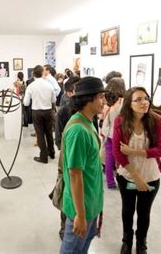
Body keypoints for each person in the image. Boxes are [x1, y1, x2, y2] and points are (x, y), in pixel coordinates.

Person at [113, 87, 161, 254]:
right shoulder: (120, 121)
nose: (144, 103)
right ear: (129, 103)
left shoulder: (157, 120)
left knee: (144, 213)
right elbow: (117, 152)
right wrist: (136, 177)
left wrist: (134, 152)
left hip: (150, 177)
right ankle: (127, 241)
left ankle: (141, 243)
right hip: (127, 177)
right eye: (138, 99)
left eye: (146, 98)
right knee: (127, 211)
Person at [60, 76, 106, 254]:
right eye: (100, 96)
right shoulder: (78, 130)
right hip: (82, 207)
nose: (104, 101)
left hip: (91, 202)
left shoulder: (88, 122)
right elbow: (75, 174)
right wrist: (80, 214)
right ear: (88, 99)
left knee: (82, 248)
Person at [54, 76, 79, 240]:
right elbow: (59, 140)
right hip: (68, 162)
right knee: (66, 193)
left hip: (82, 164)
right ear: (70, 93)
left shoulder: (88, 111)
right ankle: (65, 226)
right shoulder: (63, 112)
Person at [23, 65, 56, 164]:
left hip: (37, 112)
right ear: (42, 73)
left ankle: (43, 157)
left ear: (33, 74)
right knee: (49, 133)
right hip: (48, 111)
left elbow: (26, 103)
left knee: (40, 135)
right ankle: (52, 153)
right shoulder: (49, 85)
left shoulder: (31, 86)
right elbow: (53, 100)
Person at [101, 77, 126, 190]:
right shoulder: (123, 101)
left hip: (108, 133)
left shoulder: (110, 101)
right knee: (119, 156)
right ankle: (121, 179)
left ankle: (110, 181)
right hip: (117, 134)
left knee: (109, 157)